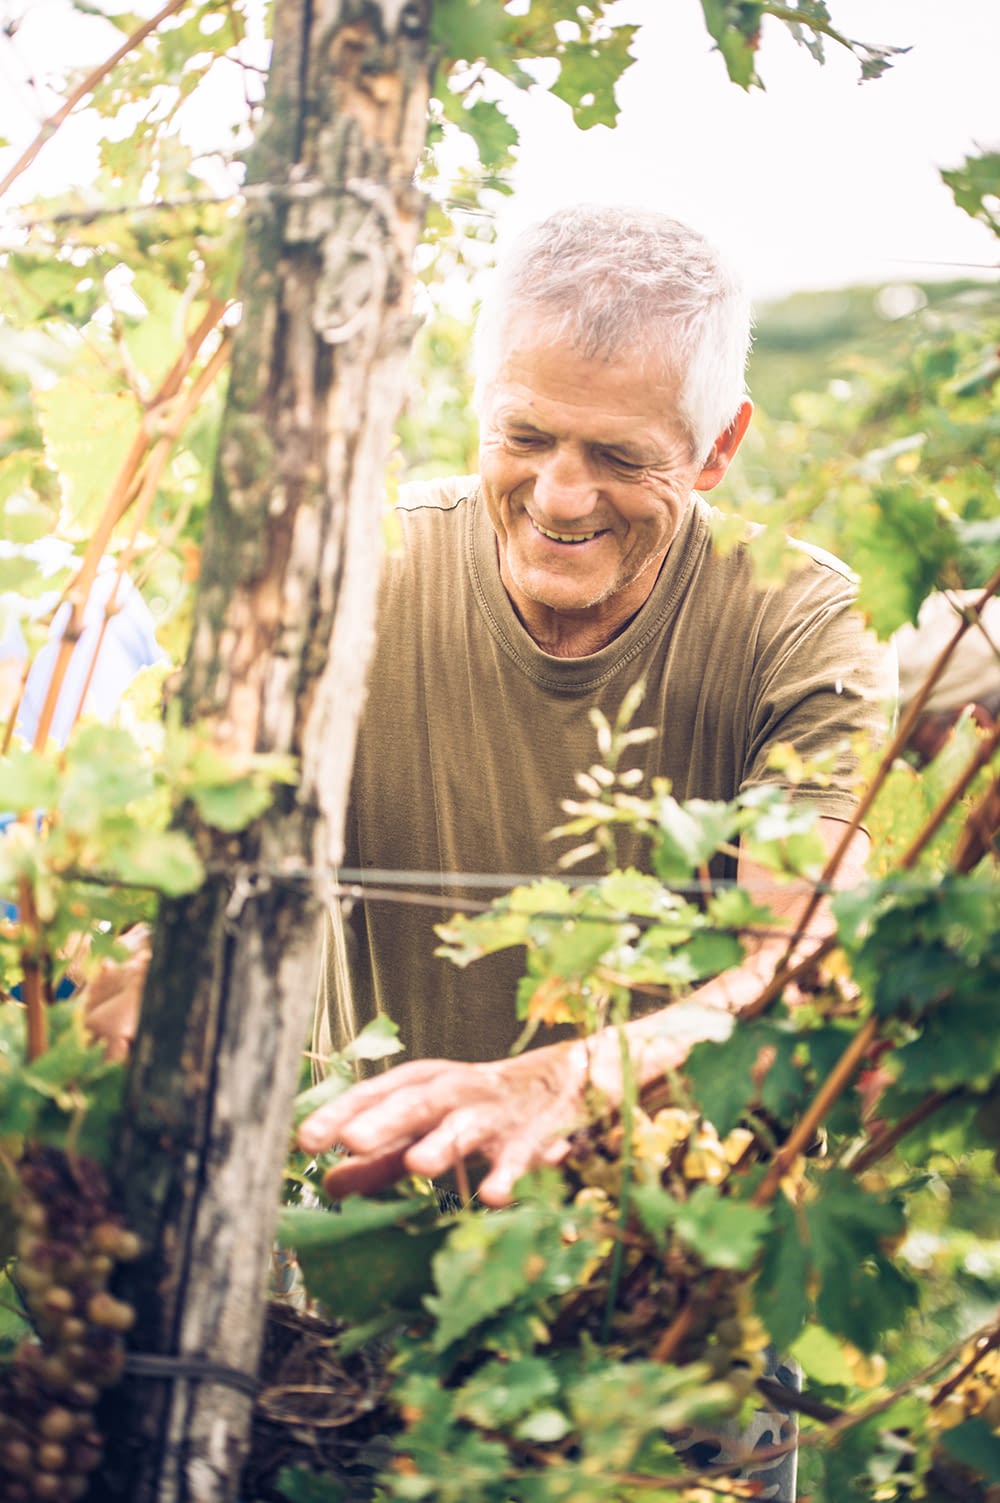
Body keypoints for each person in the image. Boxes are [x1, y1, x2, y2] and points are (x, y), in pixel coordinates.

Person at [296, 205, 888, 1208]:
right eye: (524, 435)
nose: (561, 496)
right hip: (354, 1233)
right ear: (480, 402)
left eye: (618, 456)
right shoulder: (353, 571)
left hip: (672, 1267)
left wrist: (557, 1083)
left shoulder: (798, 621)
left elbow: (801, 970)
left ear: (717, 446)